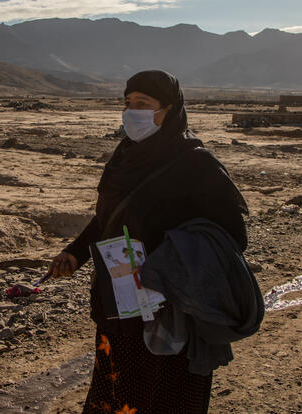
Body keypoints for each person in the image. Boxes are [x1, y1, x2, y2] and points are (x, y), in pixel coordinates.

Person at [47, 70, 250, 413]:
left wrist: (167, 259)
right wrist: (75, 253)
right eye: (127, 103)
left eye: (143, 103)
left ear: (169, 109)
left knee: (167, 394)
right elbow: (107, 218)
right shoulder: (125, 157)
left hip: (171, 308)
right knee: (118, 388)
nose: (132, 112)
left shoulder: (196, 164)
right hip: (119, 300)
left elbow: (231, 237)